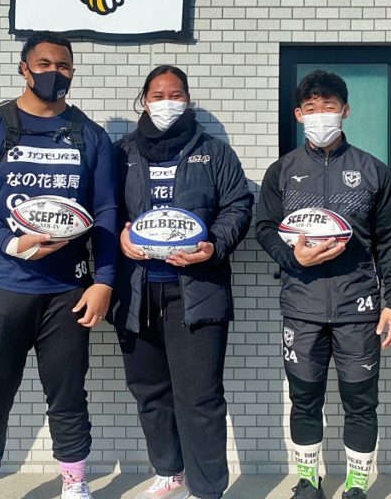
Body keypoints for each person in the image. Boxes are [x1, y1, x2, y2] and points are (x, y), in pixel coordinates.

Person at [0, 32, 118, 499]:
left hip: (67, 291)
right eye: (44, 64)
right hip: (2, 287)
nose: (54, 73)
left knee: (68, 394)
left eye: (63, 66)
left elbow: (105, 210)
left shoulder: (90, 135)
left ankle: (74, 481)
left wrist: (104, 281)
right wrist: (7, 241)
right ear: (24, 68)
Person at [255, 70, 391, 499]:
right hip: (301, 308)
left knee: (361, 401)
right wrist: (292, 257)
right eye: (312, 108)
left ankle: (356, 484)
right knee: (304, 399)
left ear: (345, 111)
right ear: (298, 115)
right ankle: (309, 481)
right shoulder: (282, 171)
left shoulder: (373, 171)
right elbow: (264, 228)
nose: (321, 115)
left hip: (358, 309)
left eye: (330, 107)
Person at [109, 66, 254, 499]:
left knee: (200, 397)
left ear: (187, 100)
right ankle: (169, 471)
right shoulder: (122, 153)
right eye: (158, 95)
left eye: (175, 95)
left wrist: (214, 244)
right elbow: (104, 207)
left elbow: (238, 205)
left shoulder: (214, 152)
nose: (166, 102)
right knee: (149, 391)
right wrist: (118, 235)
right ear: (144, 101)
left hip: (196, 291)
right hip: (137, 292)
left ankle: (207, 489)